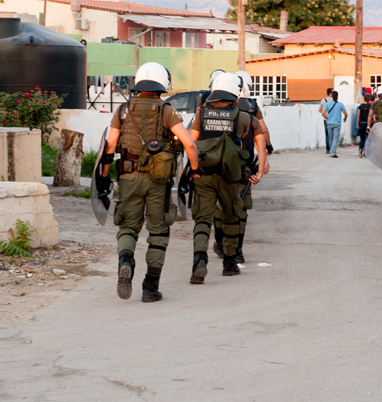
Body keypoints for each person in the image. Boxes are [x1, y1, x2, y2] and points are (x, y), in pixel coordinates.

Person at [99, 62, 200, 302]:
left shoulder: (122, 110)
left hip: (128, 177)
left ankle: (126, 260)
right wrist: (194, 169)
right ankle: (150, 287)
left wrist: (104, 177)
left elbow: (110, 146)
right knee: (159, 231)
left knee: (128, 227)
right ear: (162, 84)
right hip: (158, 180)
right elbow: (189, 144)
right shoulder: (167, 111)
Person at [189, 73, 260, 283]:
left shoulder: (200, 115)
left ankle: (199, 261)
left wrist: (193, 168)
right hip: (230, 176)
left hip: (204, 173)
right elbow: (246, 136)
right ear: (234, 96)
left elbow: (191, 143)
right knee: (231, 217)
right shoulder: (243, 117)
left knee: (202, 219)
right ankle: (229, 264)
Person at [212, 83, 267, 265]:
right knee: (240, 210)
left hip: (218, 169)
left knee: (220, 209)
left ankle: (221, 244)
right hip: (244, 169)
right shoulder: (250, 116)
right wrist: (262, 165)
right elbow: (262, 138)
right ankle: (238, 251)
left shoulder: (211, 113)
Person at [322, 91, 348, 158]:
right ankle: (333, 152)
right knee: (335, 138)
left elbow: (322, 113)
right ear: (337, 96)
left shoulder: (328, 104)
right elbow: (345, 114)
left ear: (332, 96)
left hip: (329, 123)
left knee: (330, 138)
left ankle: (331, 150)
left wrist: (326, 117)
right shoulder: (340, 104)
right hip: (337, 123)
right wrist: (345, 118)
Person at [319, 88, 333, 154]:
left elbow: (320, 110)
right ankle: (332, 148)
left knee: (327, 134)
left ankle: (328, 149)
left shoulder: (323, 100)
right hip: (333, 119)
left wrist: (325, 115)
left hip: (326, 119)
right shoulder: (334, 101)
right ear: (330, 93)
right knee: (332, 134)